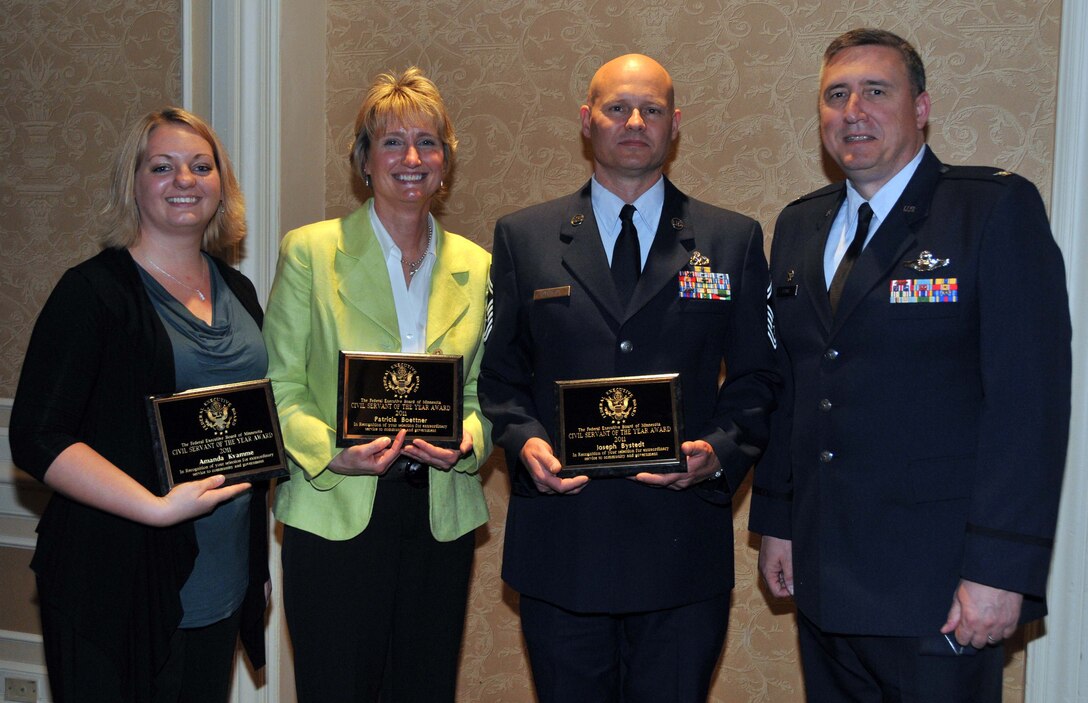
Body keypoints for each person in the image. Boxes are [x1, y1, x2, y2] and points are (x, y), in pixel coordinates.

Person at [750, 28, 1071, 701]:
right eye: (836, 95)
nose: (853, 111)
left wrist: (1002, 570)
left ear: (920, 107)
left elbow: (1028, 407)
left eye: (875, 91)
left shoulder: (989, 211)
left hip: (941, 582)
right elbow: (793, 384)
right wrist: (776, 520)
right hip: (824, 572)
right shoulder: (799, 226)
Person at [478, 54, 779, 701]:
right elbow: (498, 378)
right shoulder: (523, 237)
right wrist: (524, 440)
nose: (634, 121)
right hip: (564, 548)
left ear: (676, 126)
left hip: (680, 551)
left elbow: (758, 377)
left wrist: (719, 452)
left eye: (653, 109)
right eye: (617, 107)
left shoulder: (731, 241)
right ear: (587, 121)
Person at [9, 107, 270, 702]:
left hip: (220, 578)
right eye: (163, 166)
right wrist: (155, 507)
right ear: (133, 183)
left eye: (202, 166)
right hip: (117, 577)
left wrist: (254, 569)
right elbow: (37, 434)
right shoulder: (92, 292)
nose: (185, 179)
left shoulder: (238, 289)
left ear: (222, 186)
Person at [263, 67, 491, 702]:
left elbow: (486, 394)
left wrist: (468, 441)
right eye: (391, 142)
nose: (411, 158)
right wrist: (330, 451)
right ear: (364, 161)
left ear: (446, 162)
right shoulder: (309, 251)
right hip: (335, 505)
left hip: (437, 514)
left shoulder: (480, 266)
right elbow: (279, 385)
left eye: (428, 142)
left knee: (424, 689)